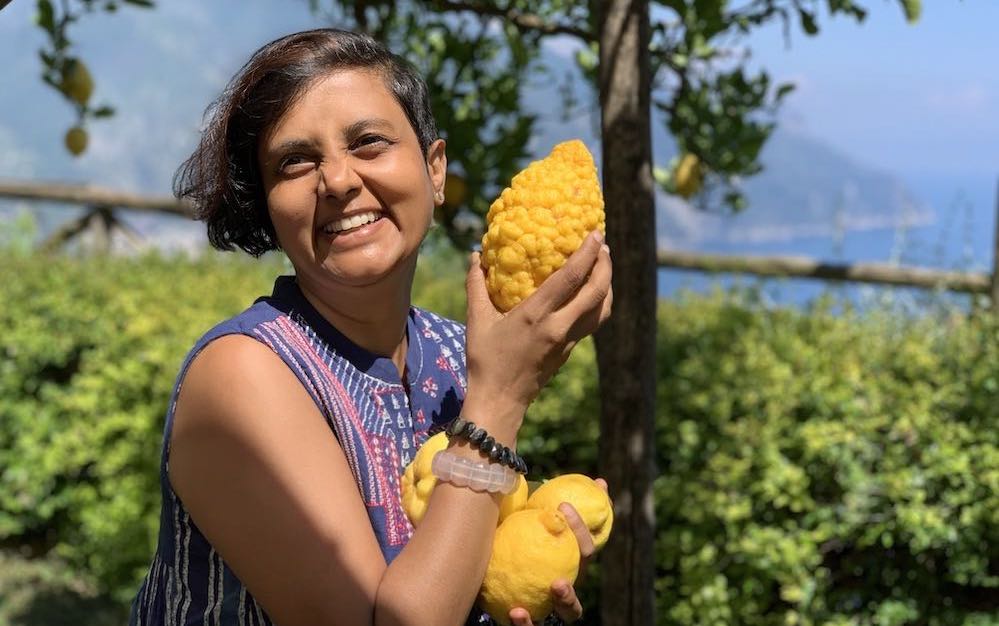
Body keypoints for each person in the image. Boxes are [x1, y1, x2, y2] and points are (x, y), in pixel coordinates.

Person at [129, 28, 613, 626]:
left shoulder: (455, 352)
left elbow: (450, 571)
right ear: (268, 202)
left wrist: (524, 580)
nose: (336, 180)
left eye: (368, 142)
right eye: (295, 161)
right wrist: (501, 400)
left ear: (435, 171)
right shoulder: (243, 376)